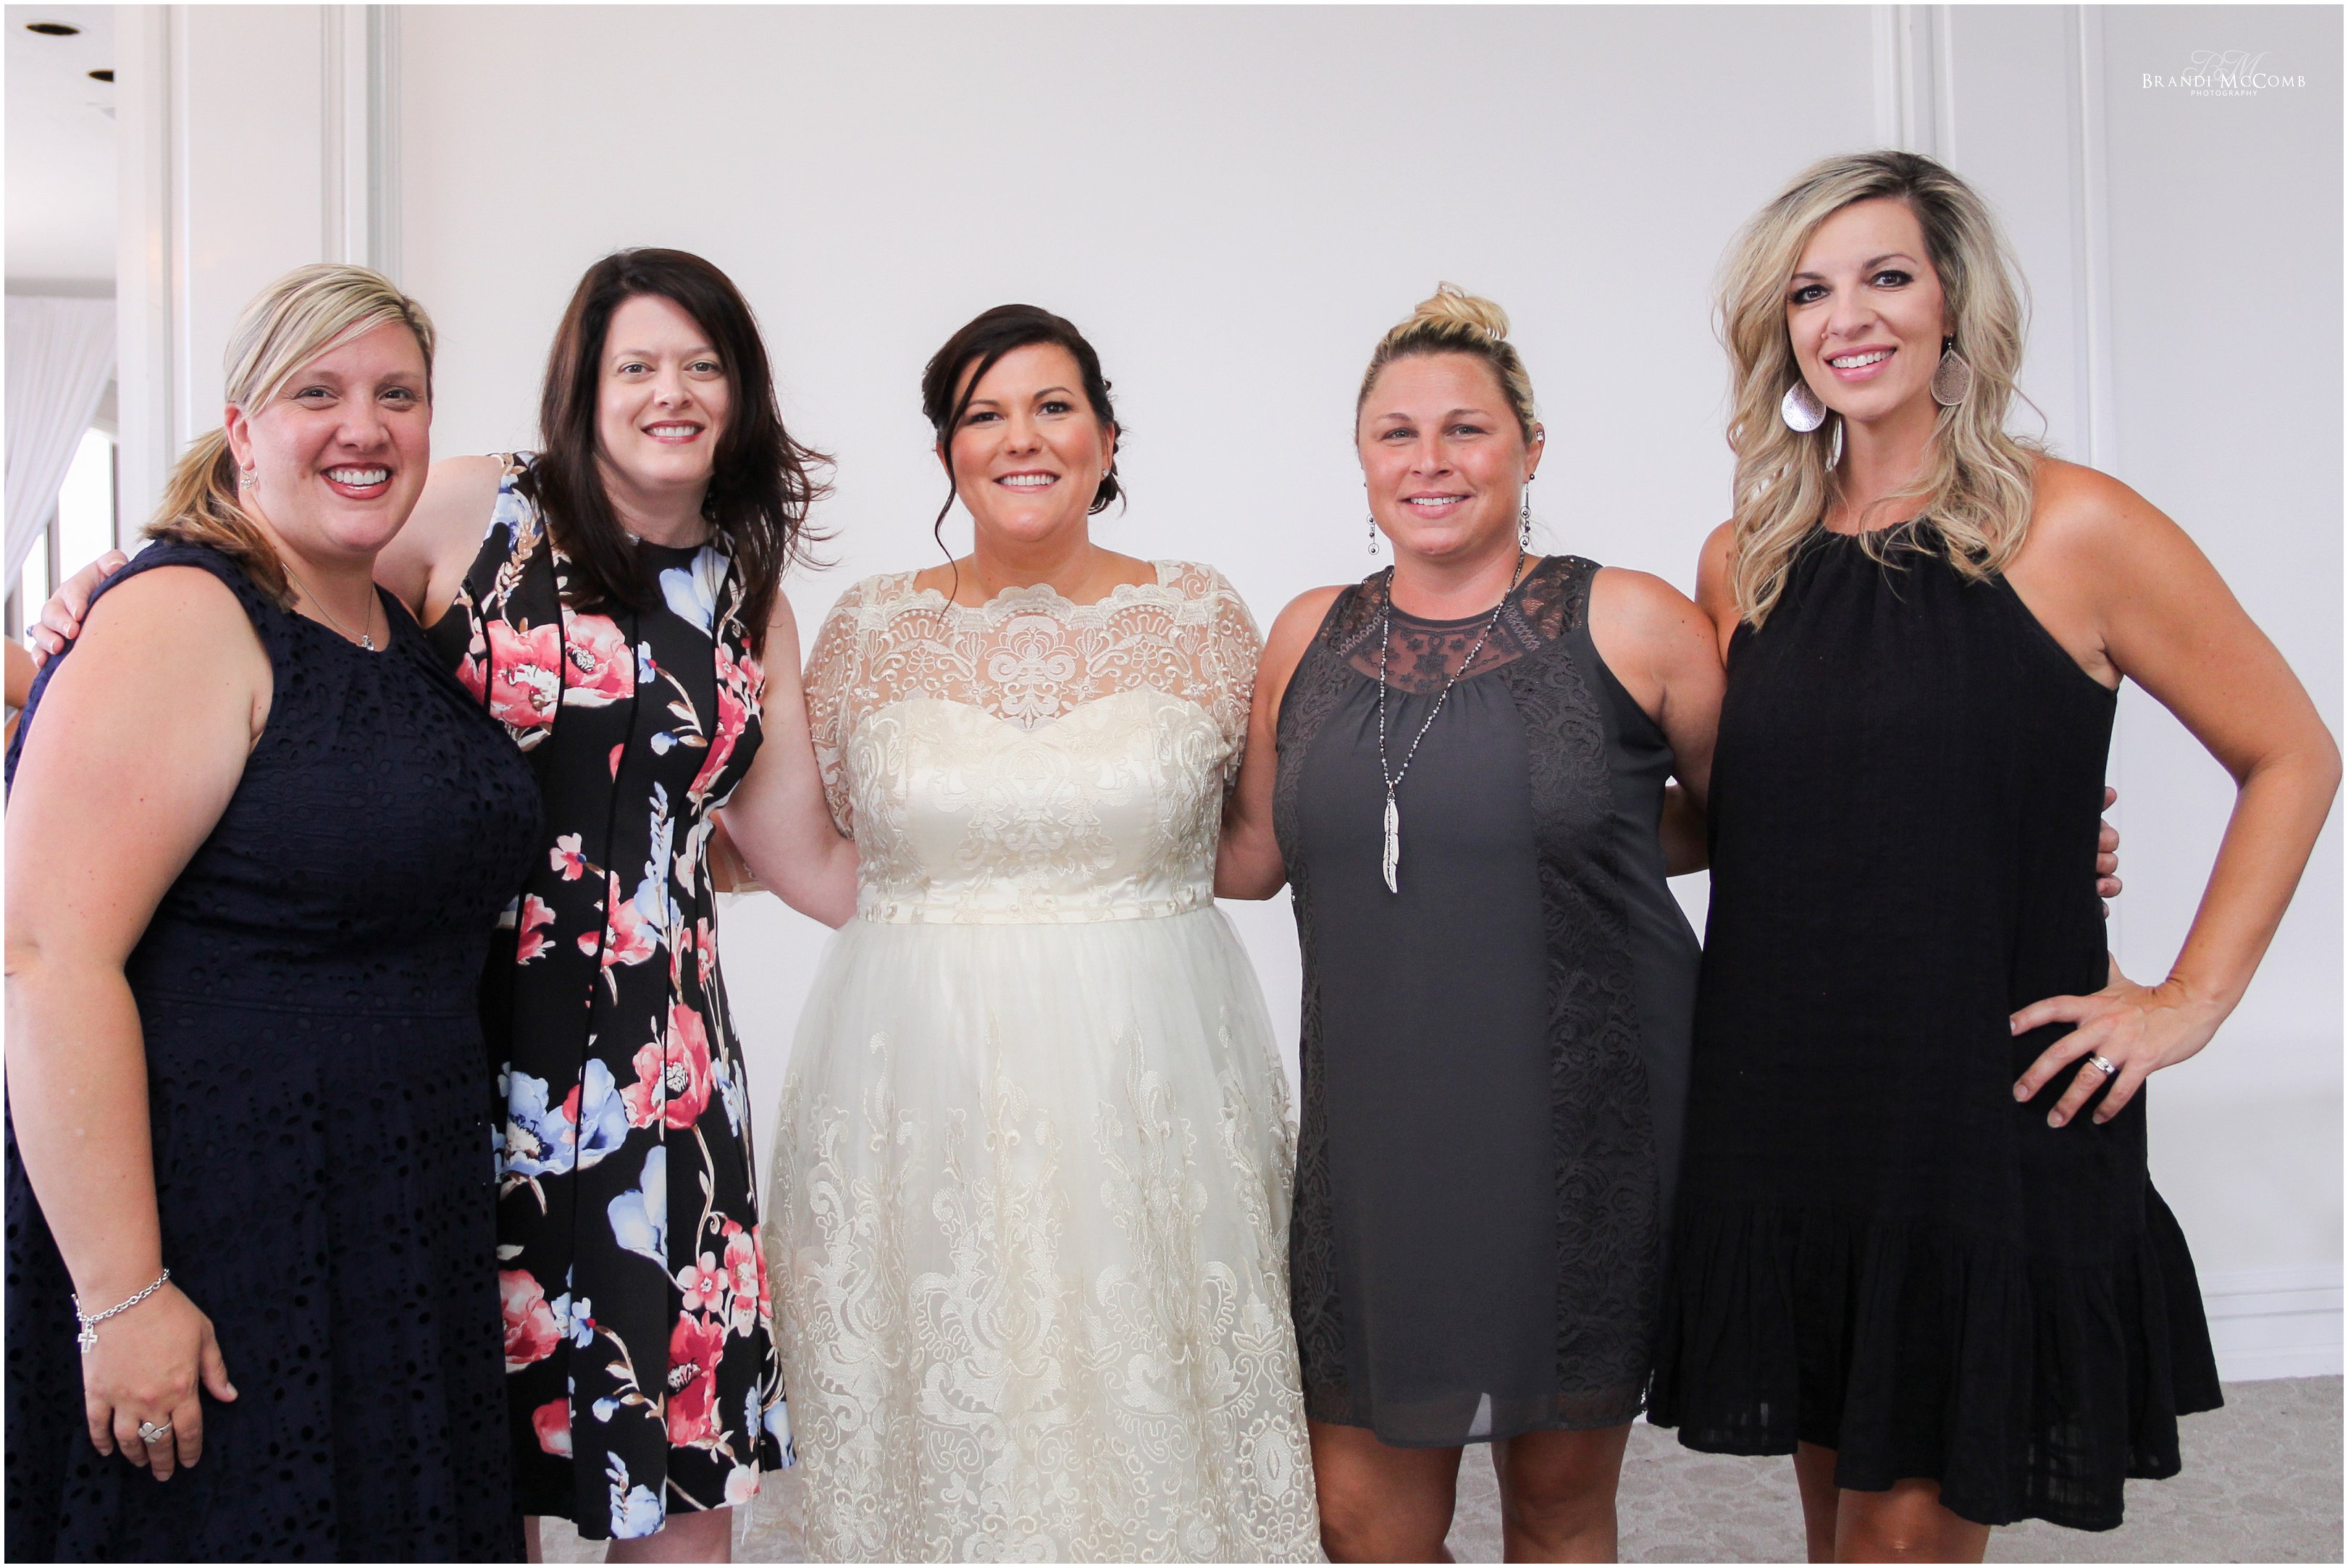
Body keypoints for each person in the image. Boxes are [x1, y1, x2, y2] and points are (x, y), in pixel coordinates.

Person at [34, 248, 852, 1559]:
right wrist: (112, 580)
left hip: (655, 1088)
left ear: (743, 393)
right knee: (452, 1462)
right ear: (579, 387)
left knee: (662, 1484)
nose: (671, 391)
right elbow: (265, 561)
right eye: (636, 364)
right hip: (462, 1060)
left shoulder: (750, 596)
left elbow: (801, 852)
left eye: (702, 366)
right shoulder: (474, 508)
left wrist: (1026, 855)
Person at [1645, 151, 2342, 1560]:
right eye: (1809, 291)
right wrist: (1514, 814)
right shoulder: (1744, 557)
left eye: (1885, 276)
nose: (1847, 317)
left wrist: (2187, 1002)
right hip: (1784, 1090)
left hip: (1977, 1094)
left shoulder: (2073, 526)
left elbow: (2293, 754)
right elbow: (1747, 815)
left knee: (1903, 1538)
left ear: (1953, 303)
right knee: (1839, 1523)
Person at [762, 303, 1320, 1561]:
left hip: (1148, 1066)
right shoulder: (868, 628)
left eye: (1053, 407)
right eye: (984, 414)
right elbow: (808, 842)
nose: (1021, 438)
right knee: (949, 1375)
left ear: (1107, 441)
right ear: (947, 453)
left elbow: (1251, 854)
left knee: (1148, 1375)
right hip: (917, 1074)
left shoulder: (1200, 615)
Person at [4, 264, 541, 1559]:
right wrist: (122, 1292)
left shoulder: (391, 624)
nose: (365, 427)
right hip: (225, 1224)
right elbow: (42, 953)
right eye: (318, 394)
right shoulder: (184, 612)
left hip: (402, 1216)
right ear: (243, 429)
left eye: (397, 395)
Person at [1215, 285, 1725, 1562]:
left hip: (1579, 1125)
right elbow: (1254, 856)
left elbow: (1755, 826)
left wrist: (2040, 841)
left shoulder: (1636, 619)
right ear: (1361, 458)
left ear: (1529, 449)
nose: (1429, 461)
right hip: (1373, 1137)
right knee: (1361, 1523)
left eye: (1466, 429)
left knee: (1553, 1507)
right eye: (1397, 433)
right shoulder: (1304, 634)